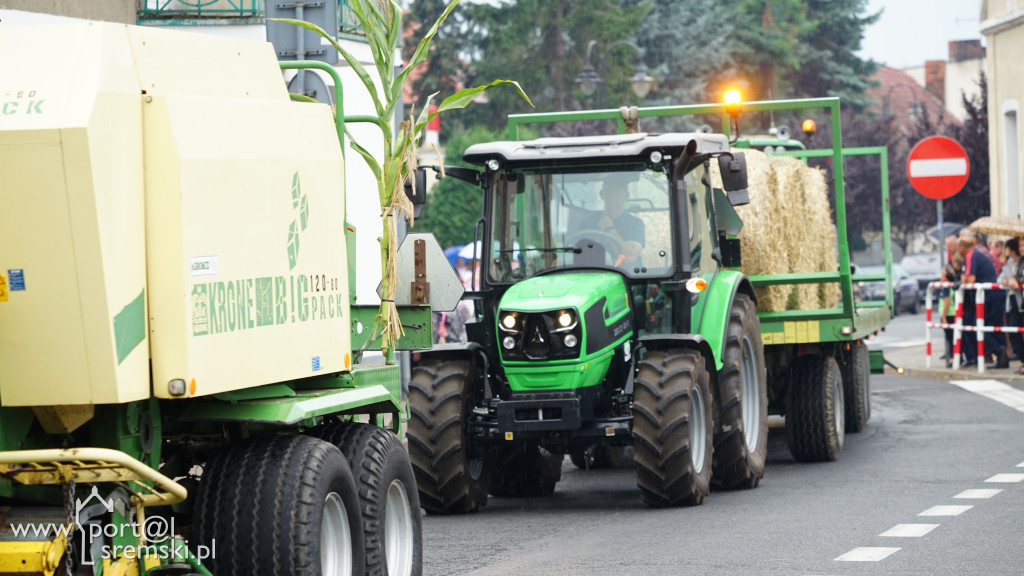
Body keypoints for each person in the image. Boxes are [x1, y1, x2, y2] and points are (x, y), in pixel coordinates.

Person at [959, 229, 1006, 368]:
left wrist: (964, 279)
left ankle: (999, 351)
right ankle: (1002, 357)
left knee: (980, 324)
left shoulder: (972, 255)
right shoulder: (975, 254)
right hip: (993, 294)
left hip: (989, 295)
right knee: (994, 325)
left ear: (963, 246)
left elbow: (970, 279)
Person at [581, 178, 645, 268]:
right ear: (601, 194)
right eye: (608, 191)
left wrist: (608, 229)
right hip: (594, 274)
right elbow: (577, 254)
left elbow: (630, 258)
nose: (612, 195)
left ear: (626, 196)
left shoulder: (635, 224)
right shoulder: (587, 223)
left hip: (627, 277)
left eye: (617, 191)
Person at [1000, 238, 1024, 372]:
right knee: (1014, 330)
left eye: (1023, 246)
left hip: (1020, 299)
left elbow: (1018, 278)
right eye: (1020, 246)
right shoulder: (1016, 262)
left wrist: (1015, 280)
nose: (1021, 248)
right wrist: (1008, 279)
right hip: (1016, 301)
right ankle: (1022, 361)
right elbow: (1008, 277)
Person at [941, 253, 964, 367]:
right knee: (956, 337)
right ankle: (957, 359)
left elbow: (947, 301)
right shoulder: (953, 282)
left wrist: (943, 317)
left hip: (949, 314)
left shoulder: (946, 285)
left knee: (951, 339)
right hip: (954, 313)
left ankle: (956, 360)